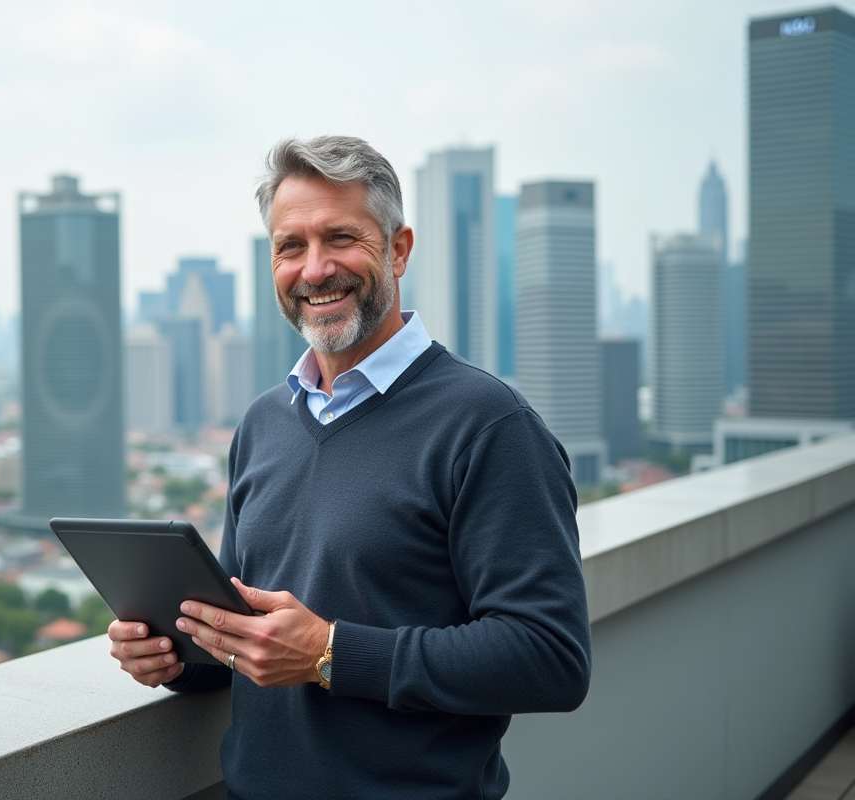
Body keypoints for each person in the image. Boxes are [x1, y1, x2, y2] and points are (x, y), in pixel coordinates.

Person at [108, 135, 591, 799]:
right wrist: (172, 655)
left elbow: (550, 658)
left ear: (397, 248)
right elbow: (249, 642)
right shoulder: (262, 424)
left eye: (340, 237)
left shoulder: (488, 424)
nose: (314, 269)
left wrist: (331, 653)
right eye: (290, 246)